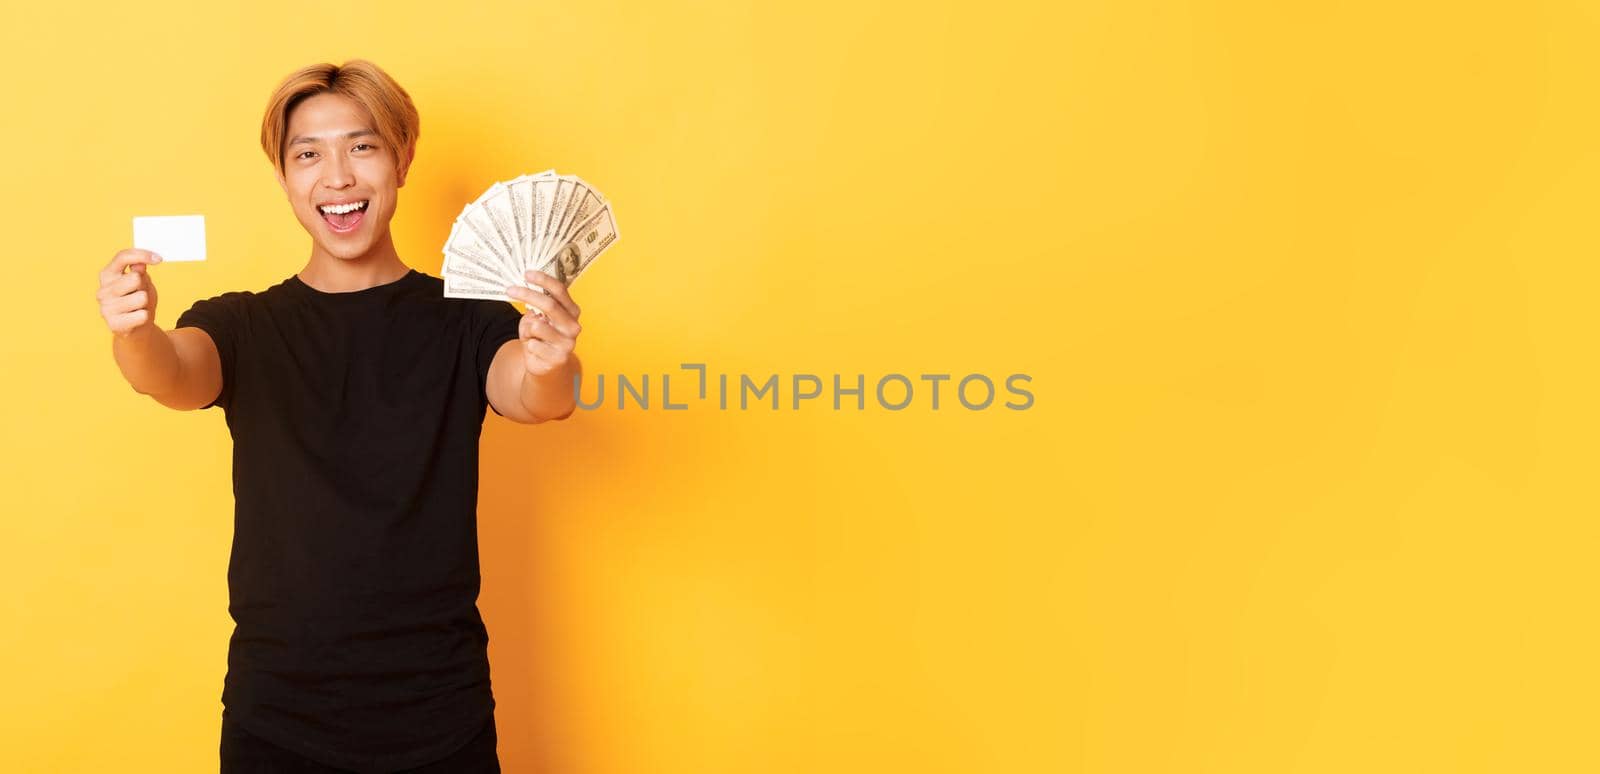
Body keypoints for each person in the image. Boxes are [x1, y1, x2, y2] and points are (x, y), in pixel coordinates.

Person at [95, 59, 585, 773]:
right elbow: (170, 374)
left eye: (362, 146)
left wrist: (550, 358)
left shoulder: (468, 318)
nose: (338, 177)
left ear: (402, 159)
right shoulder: (242, 325)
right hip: (278, 720)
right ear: (284, 177)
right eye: (308, 155)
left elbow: (538, 396)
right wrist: (133, 330)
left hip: (440, 716)